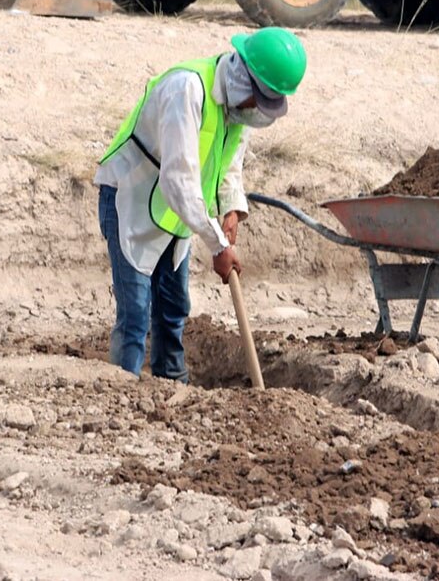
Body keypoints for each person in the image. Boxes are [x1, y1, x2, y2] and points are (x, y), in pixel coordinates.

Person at [93, 27, 307, 383]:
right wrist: (218, 245)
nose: (257, 110)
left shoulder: (239, 108)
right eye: (258, 99)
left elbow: (229, 162)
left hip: (179, 213)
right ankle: (122, 389)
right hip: (132, 198)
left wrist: (232, 206)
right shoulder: (187, 90)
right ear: (244, 76)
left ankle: (172, 383)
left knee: (174, 307)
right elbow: (178, 181)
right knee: (136, 314)